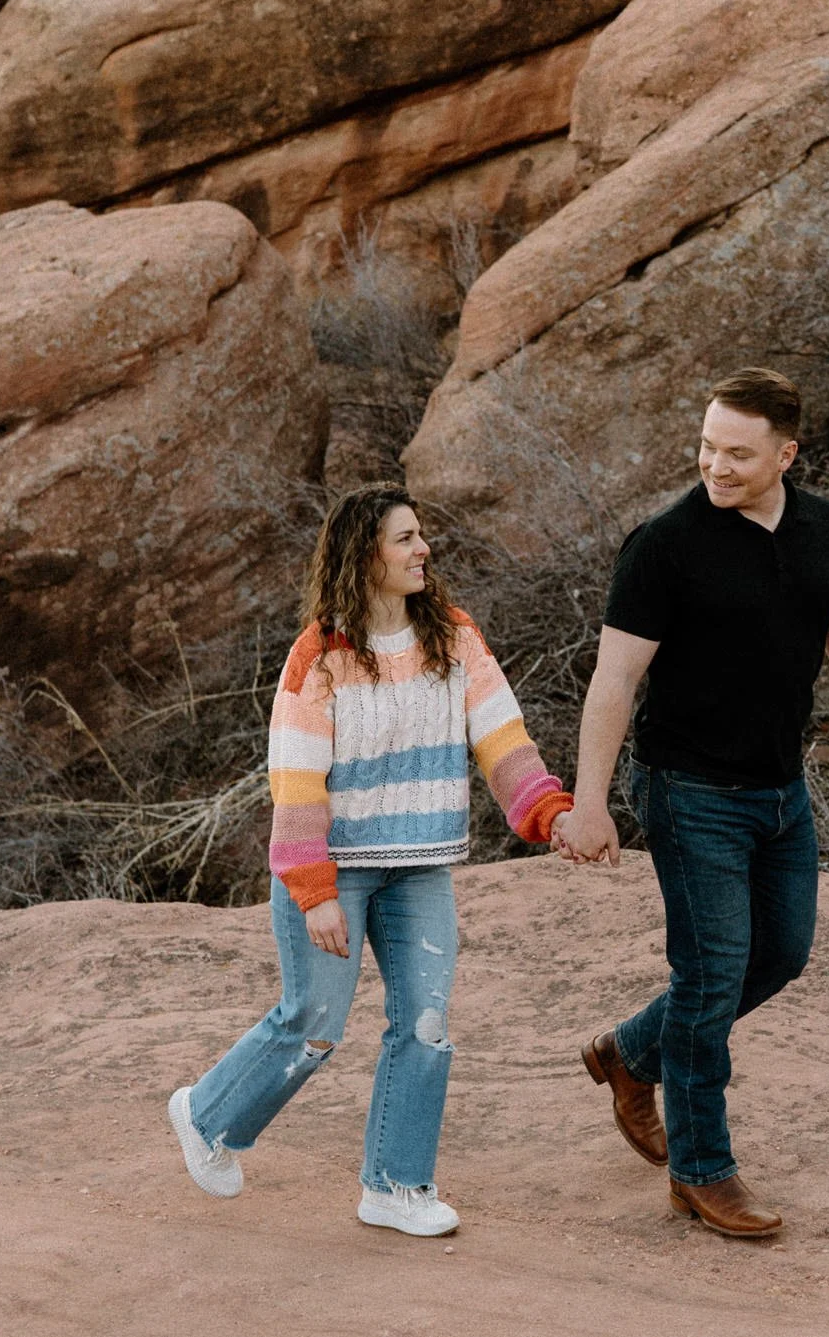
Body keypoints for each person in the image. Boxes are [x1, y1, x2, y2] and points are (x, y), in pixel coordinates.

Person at [553, 368, 829, 1238]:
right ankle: (702, 1169)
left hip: (779, 791)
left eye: (736, 453)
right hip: (689, 791)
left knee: (783, 953)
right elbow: (614, 679)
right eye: (706, 447)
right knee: (712, 971)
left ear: (785, 454)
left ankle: (630, 1053)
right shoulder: (666, 544)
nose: (714, 466)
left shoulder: (827, 529)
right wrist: (593, 802)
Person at [166, 483, 573, 1236]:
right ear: (365, 555)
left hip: (418, 864)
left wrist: (550, 811)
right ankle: (209, 1115)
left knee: (425, 1022)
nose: (424, 550)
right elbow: (294, 778)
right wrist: (315, 888)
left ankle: (395, 1185)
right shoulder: (318, 656)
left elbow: (503, 738)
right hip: (334, 867)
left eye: (421, 536)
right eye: (405, 538)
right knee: (314, 1024)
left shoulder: (453, 636)